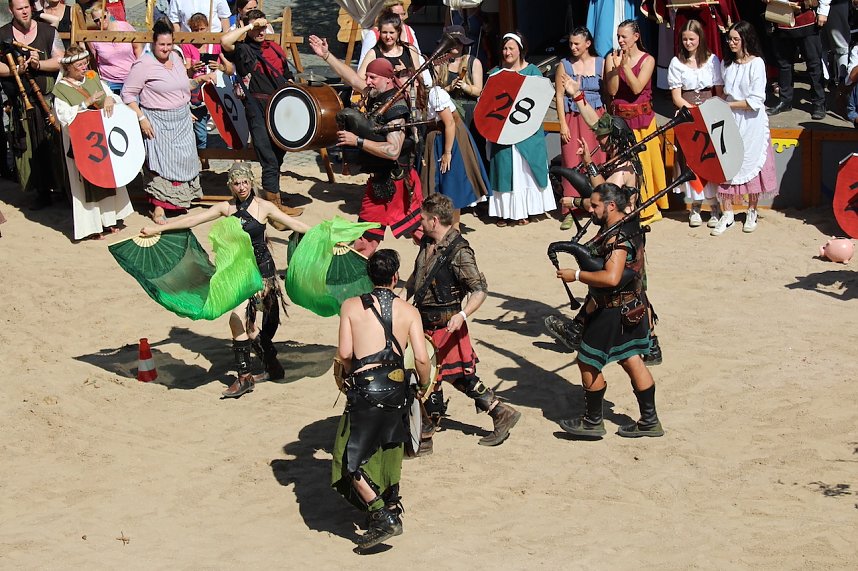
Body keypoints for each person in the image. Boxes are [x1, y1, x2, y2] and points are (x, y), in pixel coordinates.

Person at [140, 162, 310, 397]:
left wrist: (325, 236)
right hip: (238, 273)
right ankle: (270, 368)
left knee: (238, 318)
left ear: (251, 182)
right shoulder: (226, 208)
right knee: (247, 327)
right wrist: (160, 229)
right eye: (236, 183)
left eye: (245, 182)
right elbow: (192, 221)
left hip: (261, 273)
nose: (241, 187)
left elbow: (295, 225)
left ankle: (246, 377)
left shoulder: (264, 207)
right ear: (230, 185)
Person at [333, 248, 430, 551]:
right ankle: (392, 502)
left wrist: (351, 376)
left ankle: (381, 515)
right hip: (398, 388)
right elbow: (423, 359)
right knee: (389, 447)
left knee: (346, 460)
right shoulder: (409, 311)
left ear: (369, 276)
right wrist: (423, 386)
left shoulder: (350, 306)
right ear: (395, 277)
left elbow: (346, 354)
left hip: (365, 389)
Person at [407, 193, 522, 450]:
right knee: (443, 376)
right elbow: (418, 275)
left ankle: (427, 433)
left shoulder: (460, 252)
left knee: (440, 376)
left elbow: (479, 289)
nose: (421, 222)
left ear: (434, 220)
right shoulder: (427, 241)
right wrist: (404, 298)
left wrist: (462, 315)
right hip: (425, 322)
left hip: (446, 325)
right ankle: (497, 411)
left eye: (424, 218)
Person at [555, 182, 664, 439]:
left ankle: (592, 421)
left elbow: (612, 278)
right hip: (633, 306)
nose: (591, 210)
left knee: (588, 361)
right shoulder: (627, 222)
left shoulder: (618, 237)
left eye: (595, 205)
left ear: (611, 205)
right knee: (630, 359)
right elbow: (600, 189)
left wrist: (577, 275)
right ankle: (649, 420)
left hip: (613, 311)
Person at [309, 35, 424, 256]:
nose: (367, 81)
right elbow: (352, 78)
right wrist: (326, 55)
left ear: (387, 80)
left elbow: (393, 151)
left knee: (420, 233)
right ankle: (354, 281)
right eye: (368, 77)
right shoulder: (376, 95)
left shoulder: (396, 109)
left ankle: (441, 269)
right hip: (379, 183)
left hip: (400, 183)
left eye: (372, 77)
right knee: (366, 237)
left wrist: (357, 141)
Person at [122, 20, 211, 224]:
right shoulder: (143, 64)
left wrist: (199, 80)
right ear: (154, 44)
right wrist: (142, 118)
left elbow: (182, 85)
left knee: (184, 161)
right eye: (162, 45)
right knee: (160, 164)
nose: (166, 48)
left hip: (181, 119)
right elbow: (128, 94)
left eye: (169, 44)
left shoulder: (177, 59)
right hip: (157, 120)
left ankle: (179, 201)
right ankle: (158, 207)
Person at [221, 10, 304, 217]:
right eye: (256, 28)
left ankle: (272, 200)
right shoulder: (243, 49)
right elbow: (225, 40)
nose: (260, 32)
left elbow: (287, 76)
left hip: (279, 109)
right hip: (256, 108)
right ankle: (274, 211)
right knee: (268, 158)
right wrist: (250, 25)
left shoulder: (275, 49)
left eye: (263, 28)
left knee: (278, 154)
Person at [52, 46, 133, 240]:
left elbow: (111, 95)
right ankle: (92, 227)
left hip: (101, 138)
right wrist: (86, 103)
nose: (83, 67)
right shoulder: (61, 90)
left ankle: (110, 221)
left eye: (85, 63)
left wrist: (110, 100)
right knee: (85, 183)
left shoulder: (92, 77)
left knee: (105, 177)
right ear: (69, 67)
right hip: (80, 143)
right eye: (79, 65)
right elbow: (64, 118)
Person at [708, 21, 778, 236]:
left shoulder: (757, 64)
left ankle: (751, 210)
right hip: (730, 120)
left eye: (735, 39)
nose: (731, 43)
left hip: (751, 121)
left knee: (752, 162)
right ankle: (727, 212)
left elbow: (755, 100)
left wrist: (728, 105)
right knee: (728, 165)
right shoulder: (726, 64)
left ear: (746, 39)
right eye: (729, 39)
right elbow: (722, 92)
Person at [0, 0, 66, 210]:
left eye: (27, 7)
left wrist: (39, 64)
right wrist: (16, 71)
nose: (25, 12)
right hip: (21, 104)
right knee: (27, 147)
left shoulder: (47, 31)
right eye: (20, 9)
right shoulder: (2, 34)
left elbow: (61, 60)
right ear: (11, 10)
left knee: (54, 146)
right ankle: (41, 192)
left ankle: (62, 190)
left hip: (47, 100)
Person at [485, 32, 556, 226]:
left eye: (511, 48)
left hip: (528, 132)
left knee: (525, 171)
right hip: (503, 132)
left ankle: (526, 210)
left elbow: (541, 101)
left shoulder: (533, 72)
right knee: (505, 169)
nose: (507, 52)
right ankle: (505, 212)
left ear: (520, 50)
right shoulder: (496, 74)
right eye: (505, 48)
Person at [421, 35, 491, 229]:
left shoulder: (437, 93)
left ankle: (454, 227)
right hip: (440, 131)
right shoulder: (435, 80)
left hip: (455, 130)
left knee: (454, 179)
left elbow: (450, 123)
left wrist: (447, 152)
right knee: (442, 181)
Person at [604, 19, 667, 226]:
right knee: (623, 167)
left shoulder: (647, 59)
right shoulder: (611, 58)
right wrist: (614, 69)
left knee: (643, 166)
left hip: (642, 121)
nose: (620, 40)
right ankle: (624, 209)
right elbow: (612, 91)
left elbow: (637, 87)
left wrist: (625, 67)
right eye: (618, 36)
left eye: (624, 36)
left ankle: (648, 208)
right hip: (621, 121)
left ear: (636, 37)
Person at [667, 18, 724, 228]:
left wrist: (711, 112)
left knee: (711, 159)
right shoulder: (677, 63)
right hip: (688, 114)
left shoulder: (712, 60)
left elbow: (718, 92)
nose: (688, 43)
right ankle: (696, 206)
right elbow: (676, 96)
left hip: (710, 113)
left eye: (691, 39)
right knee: (691, 160)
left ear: (700, 38)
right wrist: (693, 112)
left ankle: (715, 206)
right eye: (684, 39)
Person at [554, 26, 605, 230]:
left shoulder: (600, 64)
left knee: (597, 159)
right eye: (571, 44)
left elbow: (607, 94)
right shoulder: (564, 65)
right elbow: (558, 95)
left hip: (595, 116)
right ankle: (569, 209)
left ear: (588, 44)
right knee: (571, 160)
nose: (573, 47)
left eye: (577, 43)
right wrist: (562, 123)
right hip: (572, 115)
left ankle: (598, 204)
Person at [765, 0, 830, 121]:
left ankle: (819, 102)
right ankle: (785, 101)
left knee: (813, 63)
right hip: (781, 16)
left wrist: (823, 11)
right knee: (784, 64)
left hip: (806, 17)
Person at [181, 12, 233, 154]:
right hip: (197, 91)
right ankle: (203, 157)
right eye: (195, 30)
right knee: (200, 130)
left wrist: (220, 67)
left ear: (207, 27)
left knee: (227, 124)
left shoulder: (215, 43)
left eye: (202, 29)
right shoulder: (188, 45)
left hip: (215, 88)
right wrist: (192, 69)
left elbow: (229, 69)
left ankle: (234, 155)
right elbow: (186, 74)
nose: (199, 33)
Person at [86, 6, 141, 95]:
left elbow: (137, 47)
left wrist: (139, 69)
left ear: (108, 13)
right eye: (96, 20)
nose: (101, 21)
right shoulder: (94, 37)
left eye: (103, 17)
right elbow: (93, 60)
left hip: (131, 77)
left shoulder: (125, 27)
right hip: (110, 81)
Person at [358, 0, 422, 68]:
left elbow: (419, 58)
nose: (400, 18)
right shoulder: (373, 34)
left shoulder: (409, 30)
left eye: (402, 14)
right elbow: (363, 64)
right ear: (387, 15)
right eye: (396, 15)